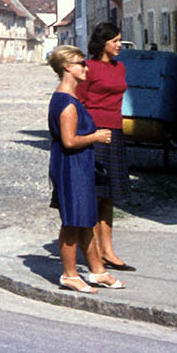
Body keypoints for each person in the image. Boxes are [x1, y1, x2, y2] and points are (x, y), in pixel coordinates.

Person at [47, 45, 125, 293]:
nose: (86, 67)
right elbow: (69, 141)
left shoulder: (70, 99)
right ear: (67, 68)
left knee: (86, 220)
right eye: (81, 63)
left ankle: (97, 271)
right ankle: (69, 275)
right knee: (72, 222)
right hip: (70, 167)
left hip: (79, 166)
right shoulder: (66, 103)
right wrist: (96, 136)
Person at [77, 22, 133, 273]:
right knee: (94, 193)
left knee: (109, 194)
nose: (119, 45)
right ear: (102, 43)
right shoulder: (88, 68)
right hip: (94, 132)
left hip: (115, 132)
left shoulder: (120, 67)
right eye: (115, 41)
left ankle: (108, 249)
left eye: (120, 40)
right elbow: (78, 101)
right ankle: (93, 251)